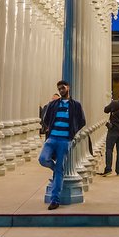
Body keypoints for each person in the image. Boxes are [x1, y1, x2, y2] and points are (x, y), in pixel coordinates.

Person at [38, 80, 86, 210]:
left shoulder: (75, 105)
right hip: (52, 138)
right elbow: (46, 119)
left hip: (65, 140)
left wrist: (72, 133)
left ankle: (55, 200)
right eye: (59, 88)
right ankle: (56, 169)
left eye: (63, 88)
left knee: (60, 168)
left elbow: (82, 121)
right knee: (42, 159)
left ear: (68, 88)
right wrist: (50, 128)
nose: (61, 90)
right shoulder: (53, 104)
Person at [100, 93, 119, 175]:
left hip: (113, 130)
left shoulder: (114, 103)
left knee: (109, 149)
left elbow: (106, 110)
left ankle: (108, 168)